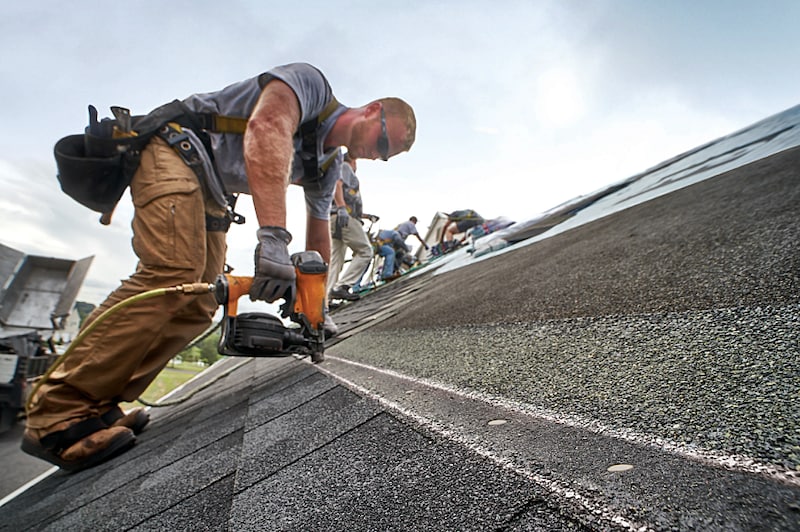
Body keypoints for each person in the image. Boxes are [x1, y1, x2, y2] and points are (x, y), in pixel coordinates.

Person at [23, 62, 416, 472]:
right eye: (386, 143)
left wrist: (315, 308)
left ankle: (97, 402)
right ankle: (56, 415)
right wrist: (273, 242)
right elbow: (267, 130)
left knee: (199, 302)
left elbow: (318, 242)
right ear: (372, 111)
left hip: (211, 188)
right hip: (175, 148)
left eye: (389, 156)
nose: (381, 156)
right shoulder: (309, 85)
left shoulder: (328, 165)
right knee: (173, 273)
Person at [327, 152, 379, 301]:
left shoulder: (341, 169)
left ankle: (326, 299)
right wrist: (342, 208)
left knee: (336, 259)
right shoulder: (345, 166)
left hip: (334, 217)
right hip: (344, 217)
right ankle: (341, 287)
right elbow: (338, 183)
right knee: (365, 251)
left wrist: (367, 216)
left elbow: (347, 200)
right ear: (353, 160)